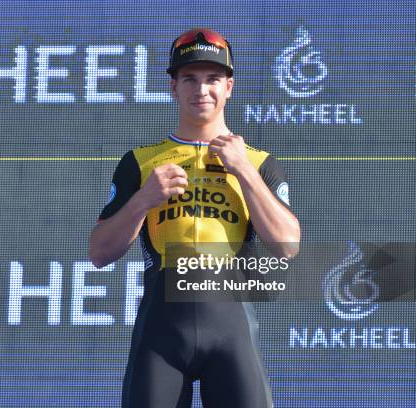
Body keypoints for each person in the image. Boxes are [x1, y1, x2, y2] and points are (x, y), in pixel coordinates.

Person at [89, 28, 300, 408]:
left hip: (231, 326)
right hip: (162, 331)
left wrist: (244, 172)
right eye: (189, 78)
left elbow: (287, 245)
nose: (201, 89)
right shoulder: (141, 163)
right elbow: (100, 252)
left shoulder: (257, 162)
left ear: (229, 86)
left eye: (212, 79)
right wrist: (143, 200)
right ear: (173, 87)